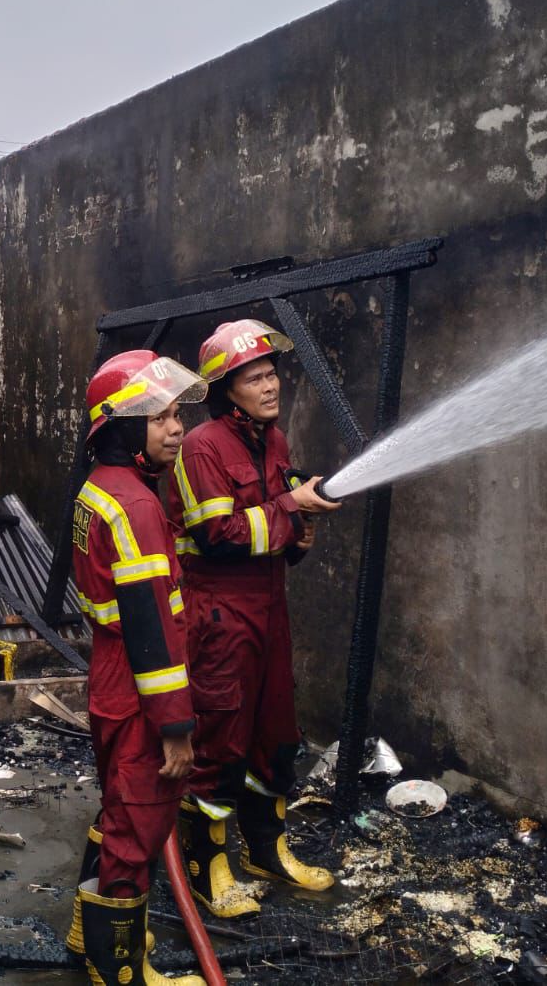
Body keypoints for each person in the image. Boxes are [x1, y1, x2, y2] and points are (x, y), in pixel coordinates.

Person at [167, 319, 343, 914]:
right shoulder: (202, 447)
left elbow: (272, 519)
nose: (272, 387)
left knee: (276, 736)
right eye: (257, 378)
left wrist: (298, 534)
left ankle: (267, 851)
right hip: (219, 615)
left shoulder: (274, 441)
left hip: (269, 609)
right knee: (220, 740)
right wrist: (289, 509)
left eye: (273, 374)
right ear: (226, 388)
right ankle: (207, 867)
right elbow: (216, 535)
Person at [65, 349, 209, 986]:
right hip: (141, 688)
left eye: (178, 415)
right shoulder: (138, 507)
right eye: (161, 418)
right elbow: (150, 627)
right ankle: (121, 972)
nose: (177, 429)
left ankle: (87, 933)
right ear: (124, 429)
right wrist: (174, 726)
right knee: (139, 824)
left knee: (118, 810)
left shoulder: (100, 490)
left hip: (111, 678)